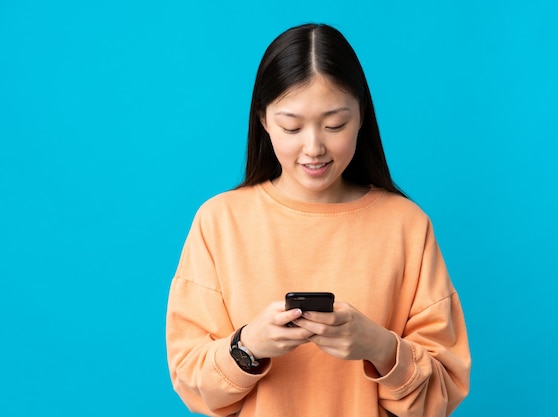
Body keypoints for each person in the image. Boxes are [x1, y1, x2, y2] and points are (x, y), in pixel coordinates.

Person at [166, 23, 471, 417]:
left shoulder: (407, 225)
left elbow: (442, 393)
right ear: (262, 120)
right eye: (291, 126)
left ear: (362, 116)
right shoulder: (219, 222)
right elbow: (192, 382)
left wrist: (379, 347)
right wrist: (248, 345)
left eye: (335, 125)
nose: (313, 148)